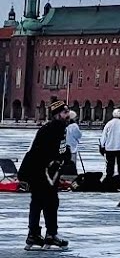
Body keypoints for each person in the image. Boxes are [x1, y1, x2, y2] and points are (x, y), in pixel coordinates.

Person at [20, 99, 72, 250]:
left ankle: (34, 234)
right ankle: (50, 235)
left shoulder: (56, 128)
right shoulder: (54, 129)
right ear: (57, 115)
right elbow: (48, 152)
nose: (68, 114)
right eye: (65, 112)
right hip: (44, 172)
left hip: (45, 172)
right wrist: (63, 157)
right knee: (49, 202)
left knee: (38, 202)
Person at [99, 108, 120, 188]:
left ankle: (109, 180)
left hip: (109, 148)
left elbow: (104, 136)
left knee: (110, 165)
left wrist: (102, 145)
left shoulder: (109, 124)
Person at [63, 111, 82, 177]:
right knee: (72, 164)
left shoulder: (63, 125)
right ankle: (71, 176)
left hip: (63, 148)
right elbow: (78, 135)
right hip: (72, 148)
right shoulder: (74, 126)